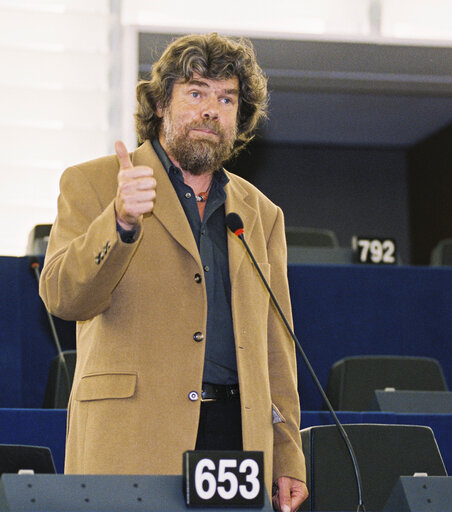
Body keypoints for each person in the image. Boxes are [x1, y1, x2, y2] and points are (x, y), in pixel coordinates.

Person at [39, 32, 307, 512]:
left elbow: (276, 346)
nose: (211, 110)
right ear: (162, 104)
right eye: (197, 92)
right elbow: (63, 297)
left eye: (227, 98)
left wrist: (288, 454)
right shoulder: (94, 183)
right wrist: (119, 221)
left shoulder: (262, 214)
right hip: (131, 435)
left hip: (236, 443)